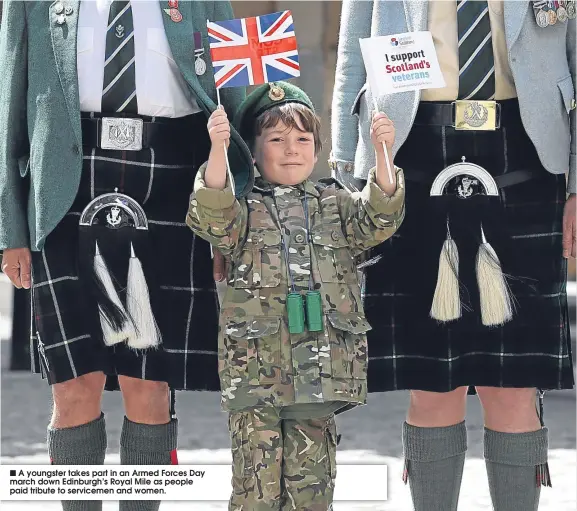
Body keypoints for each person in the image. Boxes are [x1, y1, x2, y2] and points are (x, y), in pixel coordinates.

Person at [0, 1, 253, 511]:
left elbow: (241, 101)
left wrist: (231, 224)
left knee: (149, 387)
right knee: (73, 387)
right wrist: (11, 228)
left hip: (173, 185)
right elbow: (9, 108)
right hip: (64, 194)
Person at [331, 1, 575, 510]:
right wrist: (349, 178)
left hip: (528, 151)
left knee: (513, 385)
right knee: (431, 381)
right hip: (409, 148)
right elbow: (352, 56)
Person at [186, 80, 405, 510]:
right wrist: (217, 148)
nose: (291, 149)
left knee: (311, 495)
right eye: (277, 139)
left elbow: (379, 217)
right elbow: (212, 213)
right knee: (255, 494)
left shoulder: (336, 203)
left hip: (319, 378)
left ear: (318, 149)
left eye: (303, 139)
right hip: (257, 376)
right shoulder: (242, 207)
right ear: (253, 150)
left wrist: (383, 152)